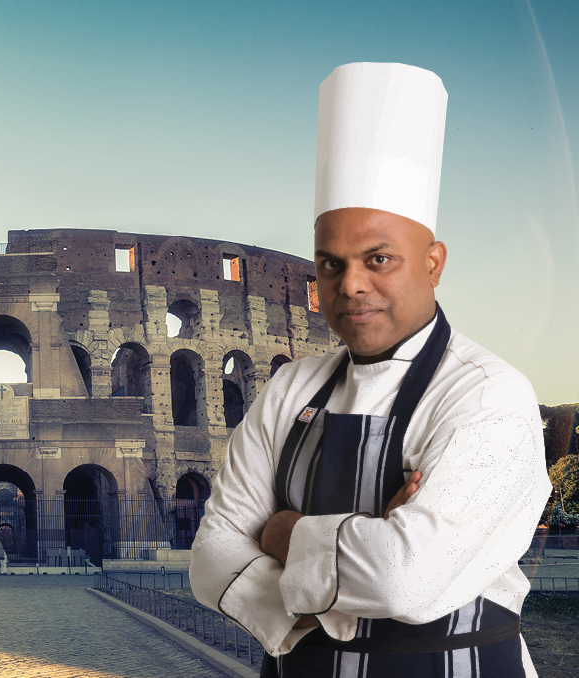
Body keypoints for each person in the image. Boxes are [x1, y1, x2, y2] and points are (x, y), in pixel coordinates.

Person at [190, 62, 552, 677]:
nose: (351, 284)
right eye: (330, 265)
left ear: (434, 263)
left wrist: (281, 533)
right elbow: (211, 559)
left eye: (378, 259)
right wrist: (361, 543)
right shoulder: (289, 387)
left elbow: (400, 578)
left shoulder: (488, 394)